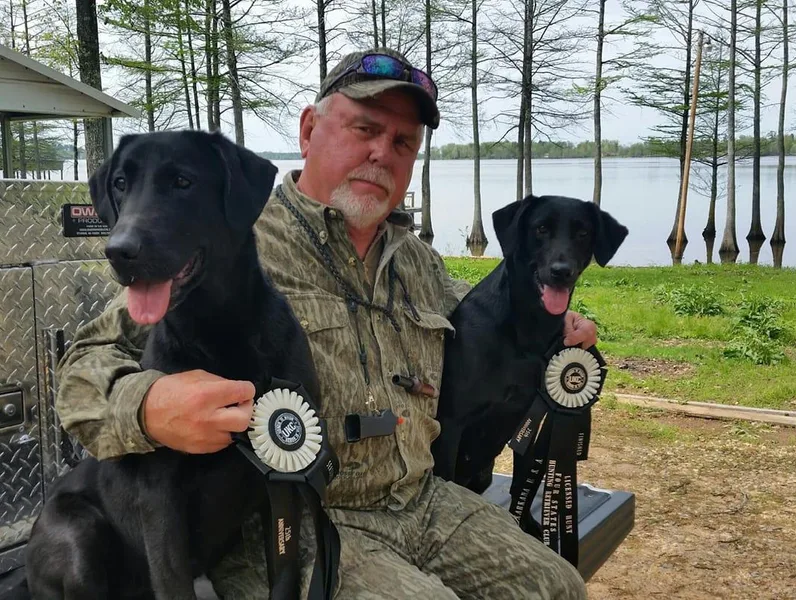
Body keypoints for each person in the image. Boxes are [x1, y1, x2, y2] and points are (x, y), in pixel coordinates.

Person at [57, 48, 596, 599]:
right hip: (294, 523)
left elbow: (475, 309)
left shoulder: (417, 260)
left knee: (559, 587)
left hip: (423, 499)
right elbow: (82, 368)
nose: (381, 152)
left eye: (403, 143)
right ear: (310, 130)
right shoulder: (233, 241)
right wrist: (148, 407)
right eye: (365, 128)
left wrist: (561, 320)